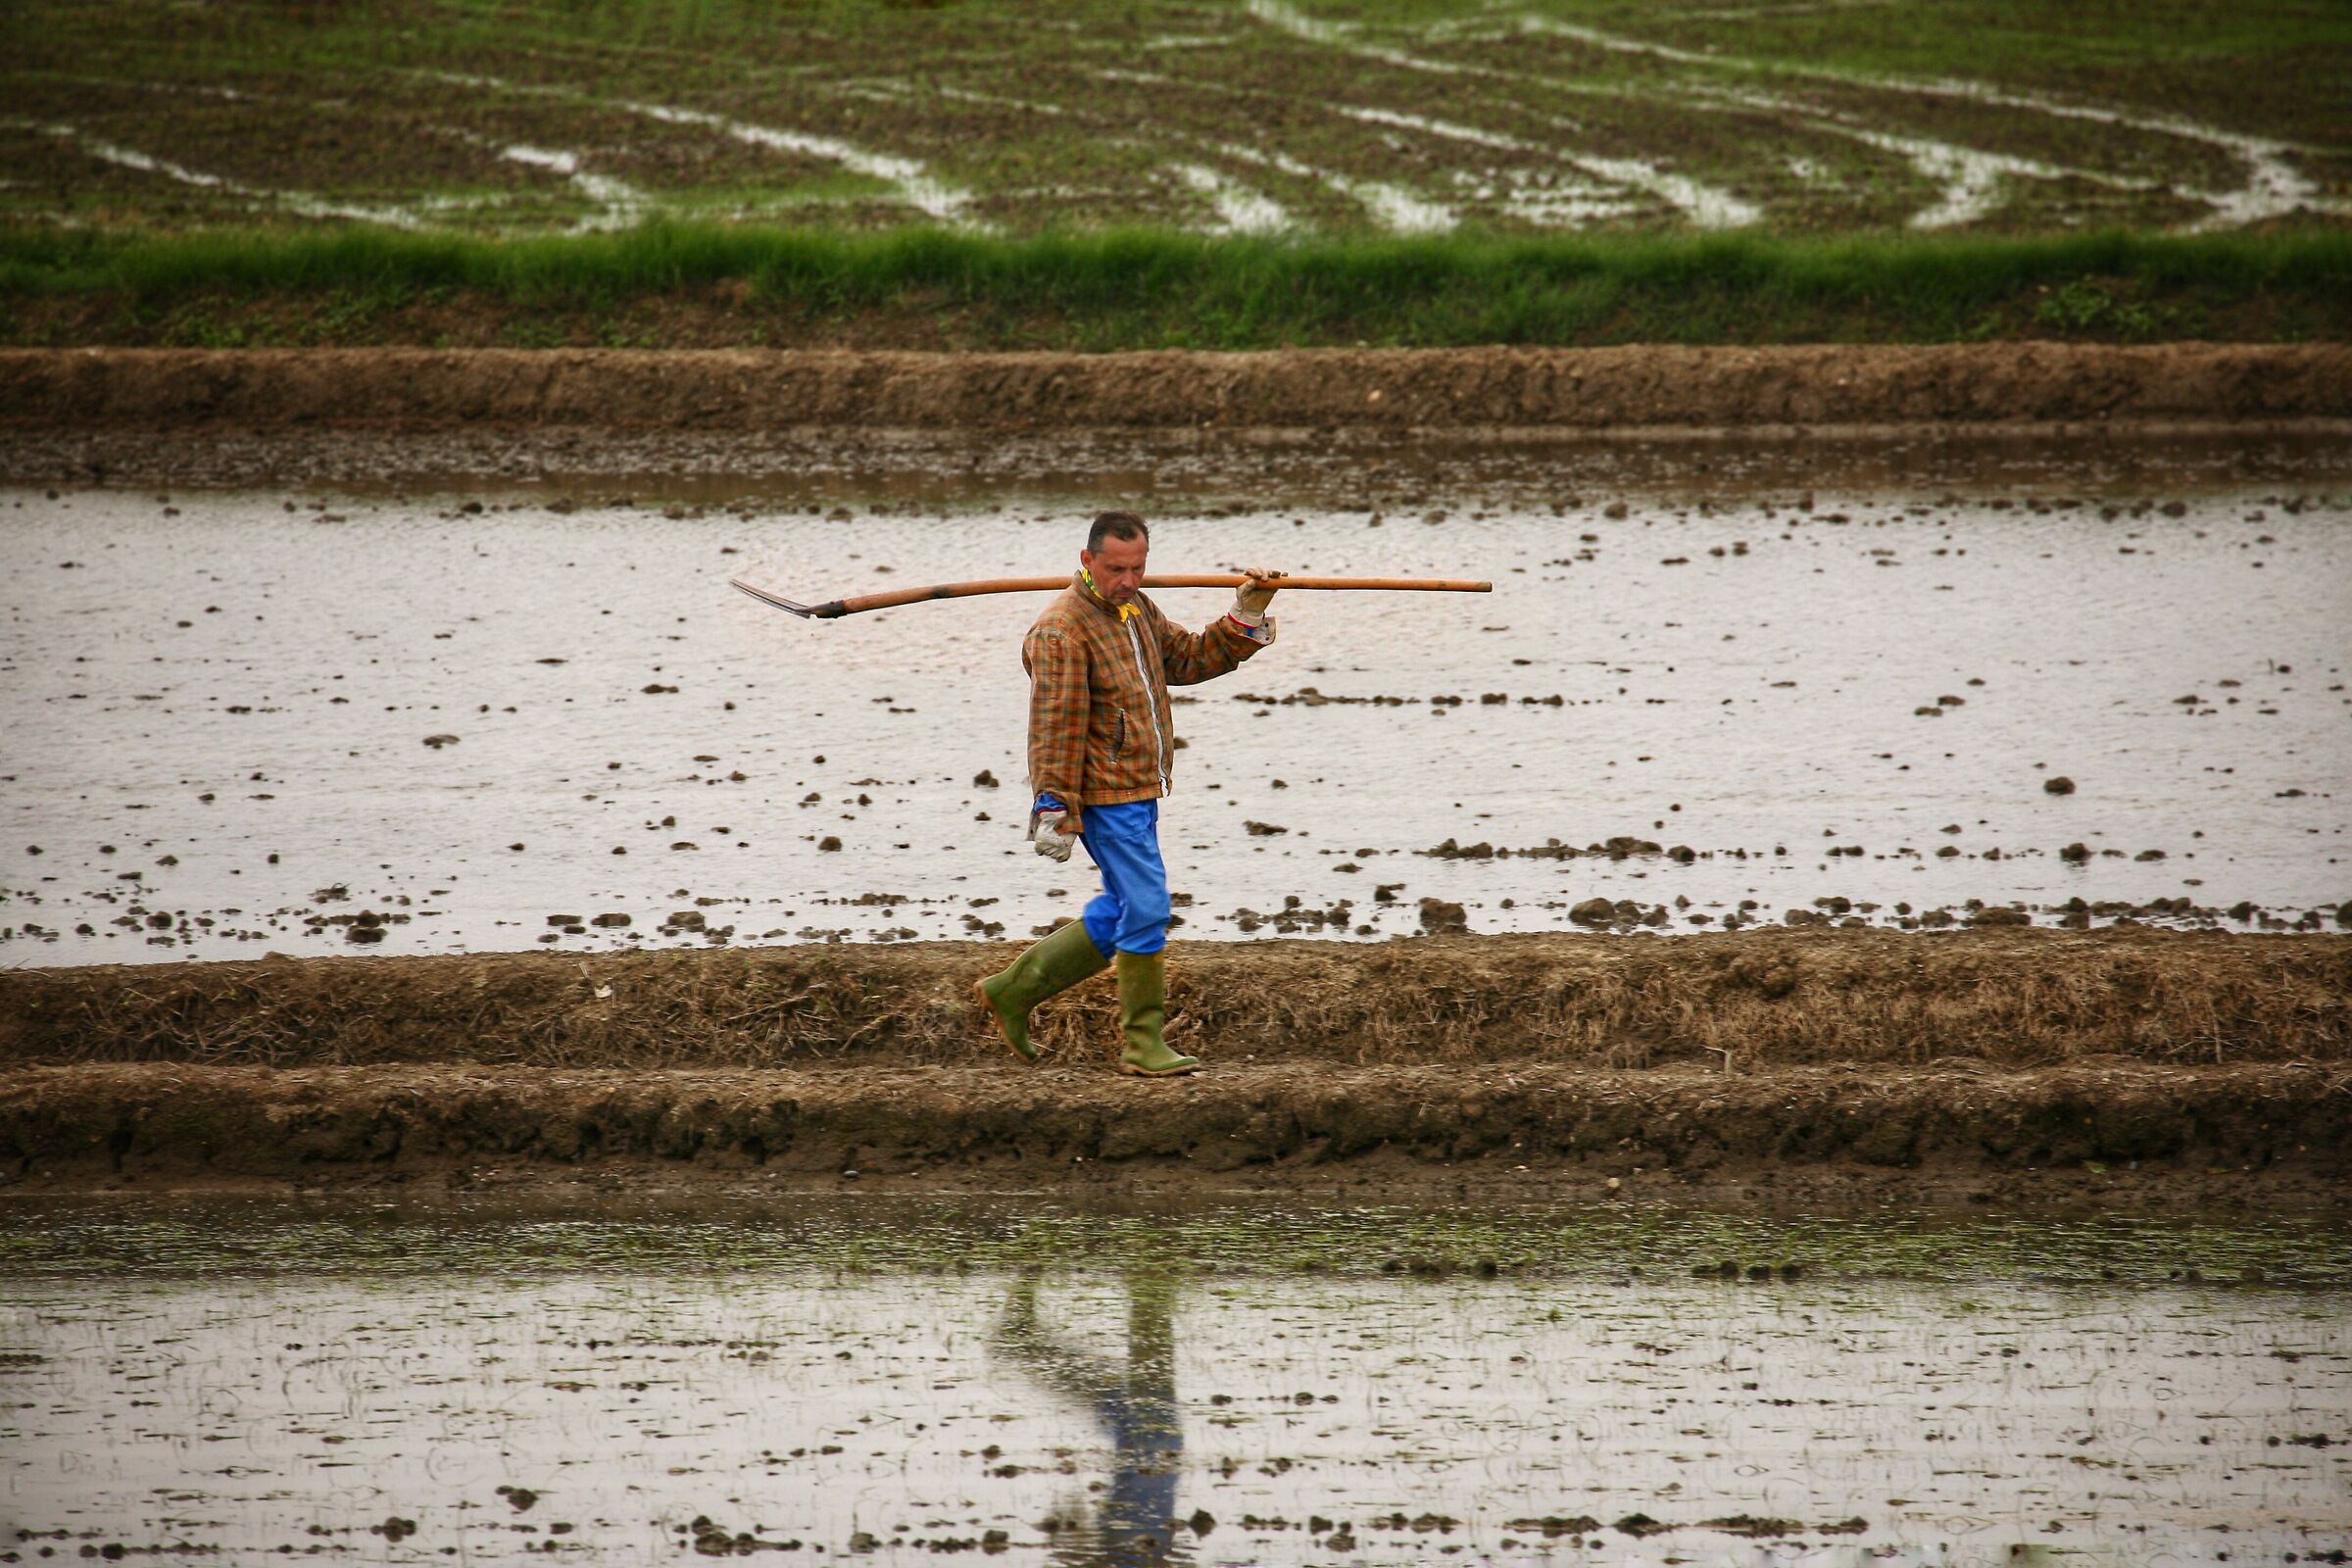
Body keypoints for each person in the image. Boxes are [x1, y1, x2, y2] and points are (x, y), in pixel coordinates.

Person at [976, 511, 1283, 1075]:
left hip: (1140, 786)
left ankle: (1013, 991)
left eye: (1137, 568)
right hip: (1104, 795)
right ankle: (1142, 1043)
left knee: (1124, 907)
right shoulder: (1060, 631)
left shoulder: (1135, 609)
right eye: (1116, 569)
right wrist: (1053, 804)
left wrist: (1247, 612)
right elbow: (1055, 725)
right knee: (1146, 907)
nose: (1128, 579)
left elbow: (1188, 659)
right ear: (1087, 561)